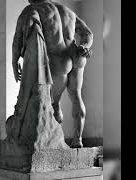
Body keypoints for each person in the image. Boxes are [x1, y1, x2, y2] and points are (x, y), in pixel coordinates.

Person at [11, 0, 93, 148]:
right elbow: (88, 33)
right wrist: (85, 46)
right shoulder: (68, 12)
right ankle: (77, 139)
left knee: (51, 103)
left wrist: (14, 60)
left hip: (57, 59)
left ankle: (52, 140)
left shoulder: (32, 9)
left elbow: (18, 37)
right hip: (76, 54)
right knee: (76, 96)